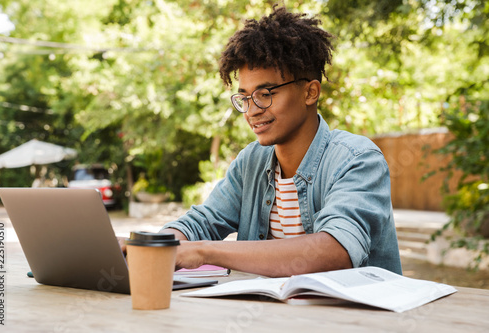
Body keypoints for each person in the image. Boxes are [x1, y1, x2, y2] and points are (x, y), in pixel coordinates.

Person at [160, 5, 402, 277]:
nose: (252, 110)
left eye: (265, 93)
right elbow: (202, 223)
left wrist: (205, 251)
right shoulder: (251, 163)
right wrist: (151, 244)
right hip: (270, 317)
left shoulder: (357, 159)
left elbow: (335, 250)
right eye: (245, 98)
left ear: (310, 92)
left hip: (349, 318)